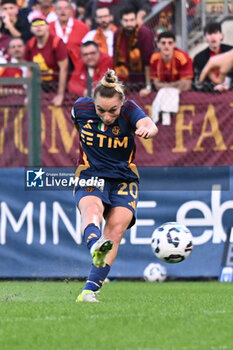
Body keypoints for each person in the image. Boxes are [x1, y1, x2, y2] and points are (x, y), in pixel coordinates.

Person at [71, 69, 157, 302]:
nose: (107, 117)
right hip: (90, 173)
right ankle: (95, 247)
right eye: (100, 110)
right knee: (92, 210)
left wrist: (148, 130)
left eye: (112, 111)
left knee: (116, 231)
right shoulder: (80, 108)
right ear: (93, 102)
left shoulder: (130, 109)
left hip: (124, 179)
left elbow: (150, 124)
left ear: (121, 104)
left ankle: (89, 291)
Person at [24, 15, 68, 106]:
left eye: (42, 24)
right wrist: (29, 94)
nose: (38, 27)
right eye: (35, 25)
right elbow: (29, 70)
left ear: (48, 26)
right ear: (31, 29)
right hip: (40, 85)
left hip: (57, 83)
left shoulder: (57, 42)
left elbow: (64, 69)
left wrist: (60, 95)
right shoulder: (30, 44)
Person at [113, 7, 154, 93]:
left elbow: (148, 62)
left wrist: (148, 87)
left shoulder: (144, 33)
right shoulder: (118, 34)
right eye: (126, 21)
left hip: (142, 78)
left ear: (136, 20)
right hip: (124, 78)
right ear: (121, 21)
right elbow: (116, 58)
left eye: (132, 20)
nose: (129, 23)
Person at [49, 0, 89, 71]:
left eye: (66, 8)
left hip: (77, 69)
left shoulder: (83, 27)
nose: (63, 11)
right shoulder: (48, 28)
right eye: (59, 8)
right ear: (55, 11)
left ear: (71, 11)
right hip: (53, 70)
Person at [193, 22, 233, 92]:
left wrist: (228, 82)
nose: (213, 37)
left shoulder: (230, 52)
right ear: (205, 38)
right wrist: (214, 87)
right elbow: (197, 82)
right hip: (209, 94)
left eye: (215, 33)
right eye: (209, 34)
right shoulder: (198, 58)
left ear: (221, 35)